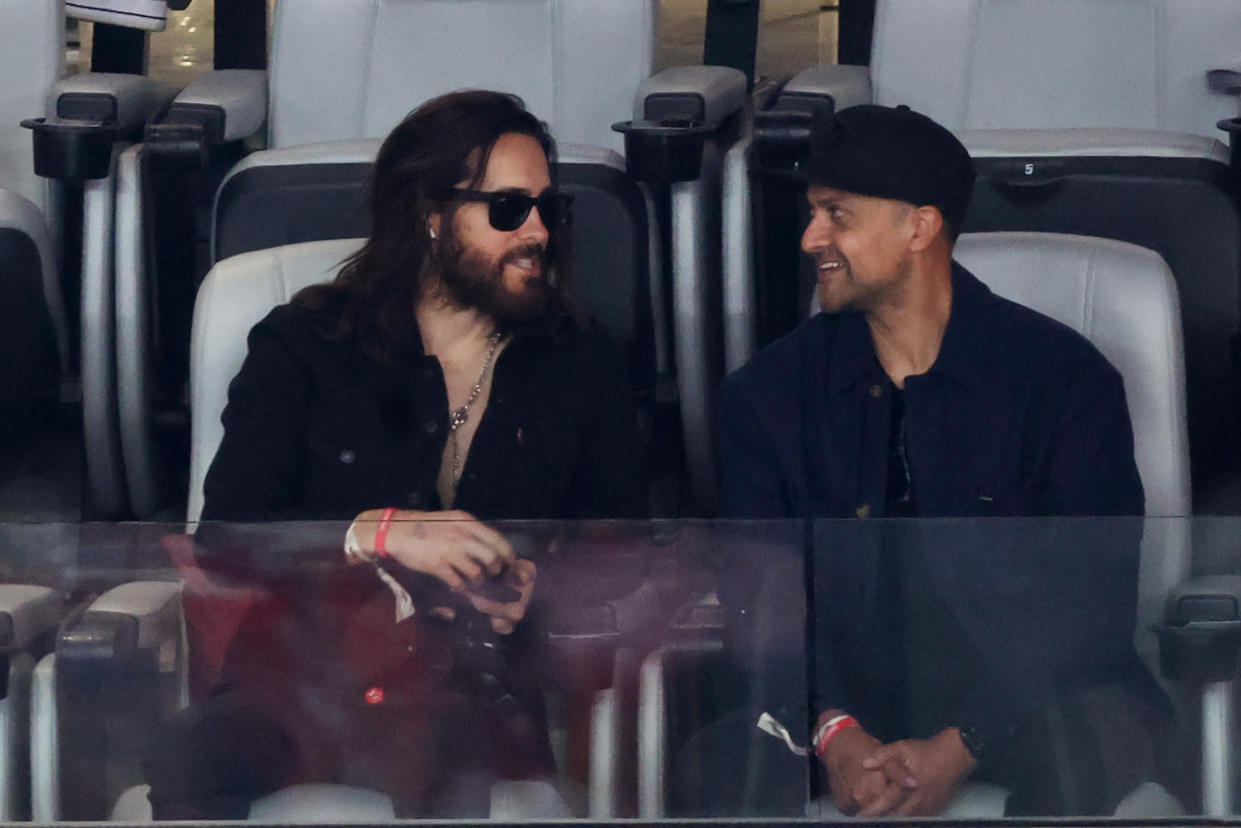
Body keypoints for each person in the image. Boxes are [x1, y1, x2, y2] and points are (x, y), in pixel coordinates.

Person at [144, 90, 647, 819]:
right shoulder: (306, 344)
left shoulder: (578, 360)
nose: (537, 230)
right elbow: (227, 535)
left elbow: (620, 549)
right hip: (303, 668)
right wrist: (373, 533)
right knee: (188, 760)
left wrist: (542, 592)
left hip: (476, 684)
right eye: (507, 209)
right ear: (431, 216)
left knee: (443, 748)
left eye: (549, 208)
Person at [712, 104, 1171, 817]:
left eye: (836, 215)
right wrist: (834, 731)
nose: (809, 238)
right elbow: (757, 597)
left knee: (1079, 743)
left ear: (919, 228)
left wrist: (961, 745)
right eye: (811, 213)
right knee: (712, 763)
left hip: (1030, 703)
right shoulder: (765, 396)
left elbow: (1087, 604)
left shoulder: (1063, 380)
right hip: (844, 708)